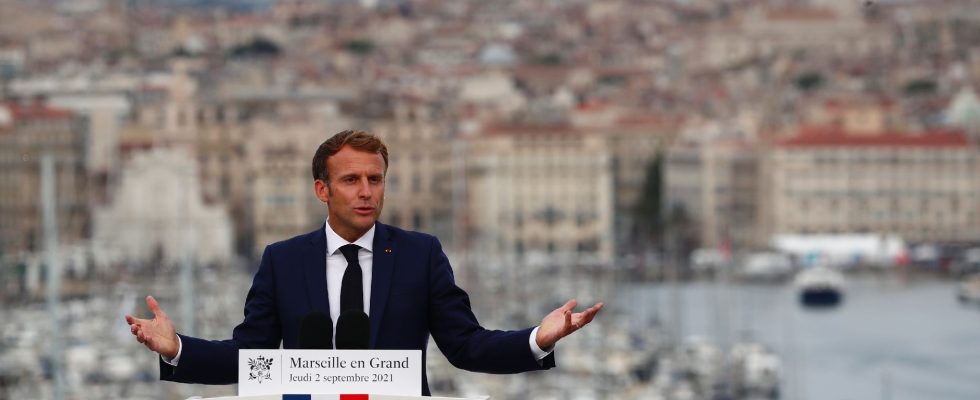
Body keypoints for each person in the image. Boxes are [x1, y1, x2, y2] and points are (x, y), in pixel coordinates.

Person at [125, 130, 603, 395]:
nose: (366, 191)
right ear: (322, 190)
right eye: (351, 179)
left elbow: (466, 346)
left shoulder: (421, 254)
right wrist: (177, 349)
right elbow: (252, 357)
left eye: (375, 179)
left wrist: (537, 339)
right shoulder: (283, 261)